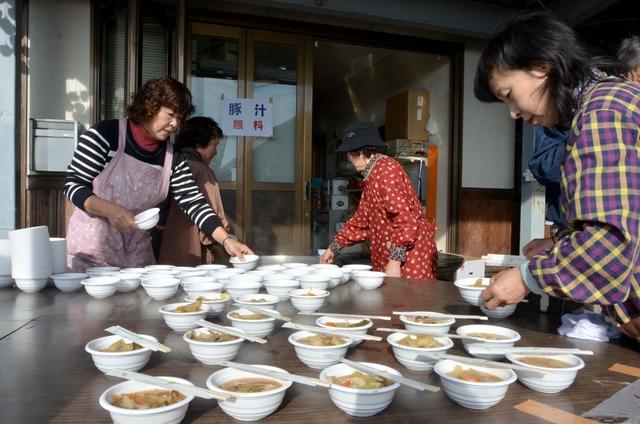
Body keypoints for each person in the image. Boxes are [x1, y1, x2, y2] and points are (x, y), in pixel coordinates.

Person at [473, 11, 640, 341]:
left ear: (540, 67)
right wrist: (560, 240)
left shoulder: (604, 110)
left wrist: (526, 278)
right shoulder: (606, 103)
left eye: (509, 95)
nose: (514, 113)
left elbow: (607, 247)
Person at [64, 76, 253, 271]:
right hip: (93, 253)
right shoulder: (105, 134)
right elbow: (73, 185)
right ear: (149, 106)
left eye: (180, 118)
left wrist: (226, 240)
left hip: (136, 256)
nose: (174, 124)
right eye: (170, 114)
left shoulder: (173, 157)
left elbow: (193, 202)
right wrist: (109, 209)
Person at [524, 35, 640, 259]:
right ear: (627, 73)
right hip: (581, 238)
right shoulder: (594, 109)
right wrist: (587, 145)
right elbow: (540, 165)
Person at [319, 121, 438, 279]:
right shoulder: (373, 174)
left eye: (349, 154)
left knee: (409, 302)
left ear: (360, 152)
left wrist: (395, 261)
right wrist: (334, 248)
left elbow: (405, 220)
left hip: (410, 259)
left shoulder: (385, 172)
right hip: (391, 256)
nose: (348, 159)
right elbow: (362, 221)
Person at [158, 117, 231, 266]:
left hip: (162, 246)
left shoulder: (169, 163)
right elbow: (214, 217)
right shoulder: (202, 171)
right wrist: (226, 239)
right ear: (199, 143)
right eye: (214, 145)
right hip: (193, 252)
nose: (216, 152)